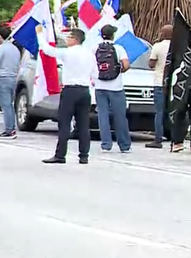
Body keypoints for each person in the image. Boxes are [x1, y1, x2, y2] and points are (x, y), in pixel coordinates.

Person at [36, 27, 97, 163]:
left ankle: (60, 155)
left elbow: (47, 50)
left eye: (68, 37)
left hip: (70, 90)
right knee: (83, 124)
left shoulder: (68, 53)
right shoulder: (90, 55)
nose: (66, 39)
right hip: (84, 91)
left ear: (75, 40)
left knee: (64, 123)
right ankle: (84, 156)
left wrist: (40, 35)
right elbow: (96, 75)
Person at [93, 24, 131, 153]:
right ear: (113, 35)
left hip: (99, 87)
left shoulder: (95, 48)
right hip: (116, 87)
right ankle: (124, 145)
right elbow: (126, 64)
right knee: (120, 116)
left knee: (102, 115)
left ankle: (106, 144)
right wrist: (120, 71)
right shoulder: (118, 48)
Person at [146, 24, 172, 148]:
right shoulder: (178, 46)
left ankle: (158, 139)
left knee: (159, 112)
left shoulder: (157, 46)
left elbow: (151, 64)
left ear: (163, 34)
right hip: (173, 83)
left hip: (159, 82)